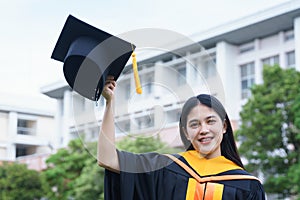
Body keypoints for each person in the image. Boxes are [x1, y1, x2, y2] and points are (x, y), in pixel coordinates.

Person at [98, 76, 266, 200]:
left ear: (224, 126)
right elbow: (107, 159)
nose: (204, 130)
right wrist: (109, 102)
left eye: (210, 121)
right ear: (186, 133)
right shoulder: (165, 168)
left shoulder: (247, 186)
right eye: (195, 124)